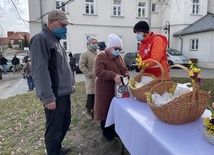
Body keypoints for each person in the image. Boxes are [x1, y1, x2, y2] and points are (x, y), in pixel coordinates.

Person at [29, 9, 75, 155]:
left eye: (66, 26)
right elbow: (39, 70)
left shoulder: (55, 40)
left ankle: (57, 148)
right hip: (54, 94)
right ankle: (53, 152)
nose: (65, 29)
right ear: (51, 23)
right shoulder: (41, 39)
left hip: (64, 92)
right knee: (54, 128)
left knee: (64, 122)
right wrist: (47, 97)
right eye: (62, 25)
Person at [94, 34, 129, 141]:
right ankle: (106, 131)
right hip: (105, 88)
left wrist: (126, 74)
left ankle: (114, 130)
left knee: (114, 109)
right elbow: (98, 72)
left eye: (120, 49)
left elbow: (124, 68)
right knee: (105, 109)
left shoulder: (119, 57)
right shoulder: (101, 56)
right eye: (116, 48)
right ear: (109, 47)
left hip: (117, 88)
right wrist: (113, 75)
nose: (118, 51)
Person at [79, 36, 99, 119]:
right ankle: (88, 111)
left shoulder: (98, 52)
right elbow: (82, 66)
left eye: (96, 43)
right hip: (91, 78)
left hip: (98, 78)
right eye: (93, 43)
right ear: (89, 44)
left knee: (97, 96)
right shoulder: (85, 53)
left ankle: (95, 111)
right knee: (91, 96)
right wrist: (89, 74)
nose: (95, 44)